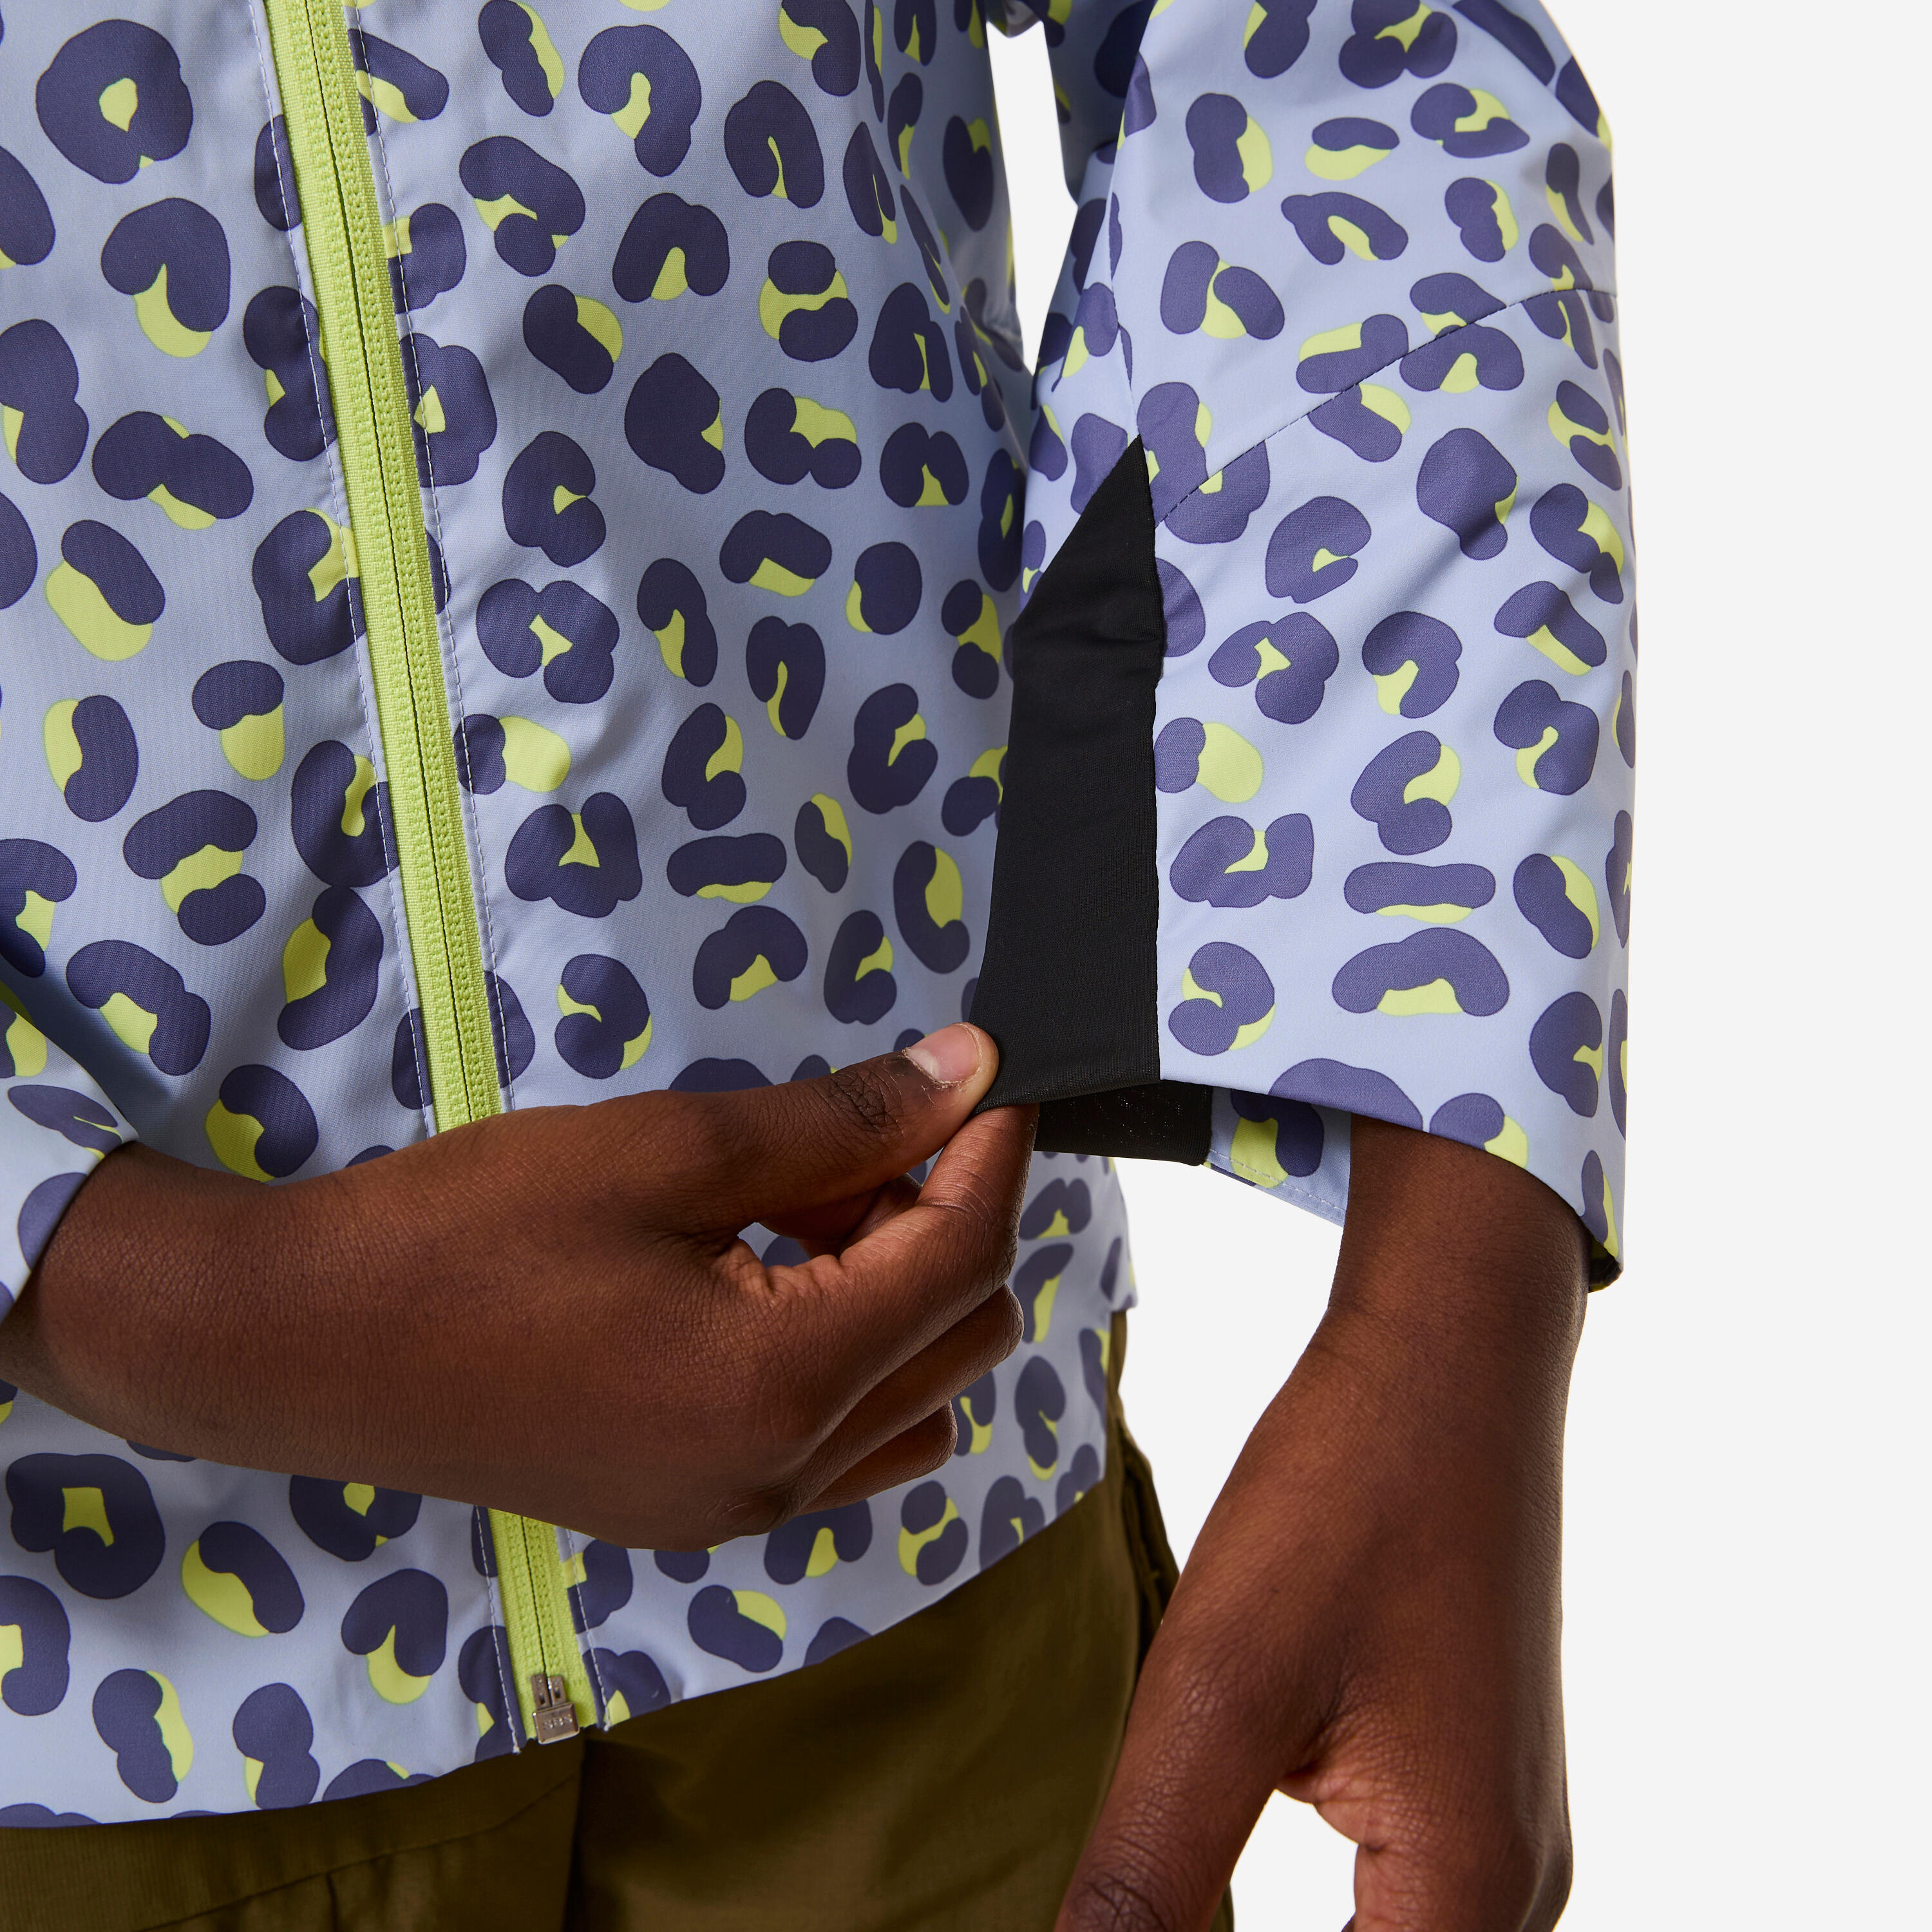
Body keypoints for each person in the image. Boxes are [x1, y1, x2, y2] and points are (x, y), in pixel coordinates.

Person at [0, 0, 1633, 1925]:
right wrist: (148, 1296)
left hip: (926, 1535)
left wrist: (1454, 1304)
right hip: (90, 1700)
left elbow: (1346, 63)